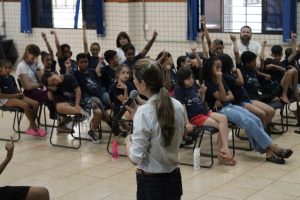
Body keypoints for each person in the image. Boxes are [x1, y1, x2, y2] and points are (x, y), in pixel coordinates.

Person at [202, 57, 293, 164]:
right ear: (210, 68)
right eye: (217, 67)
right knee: (249, 122)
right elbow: (223, 96)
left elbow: (230, 96)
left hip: (230, 105)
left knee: (256, 120)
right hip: (220, 111)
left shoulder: (220, 79)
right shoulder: (209, 83)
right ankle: (275, 148)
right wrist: (221, 89)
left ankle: (269, 152)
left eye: (220, 67)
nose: (219, 69)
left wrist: (221, 97)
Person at [125, 58, 185, 200]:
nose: (133, 82)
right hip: (174, 178)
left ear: (143, 84)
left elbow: (135, 158)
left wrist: (128, 141)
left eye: (134, 79)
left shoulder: (144, 113)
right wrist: (137, 116)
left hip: (152, 183)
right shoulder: (177, 105)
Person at [175, 67, 236, 166]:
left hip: (203, 112)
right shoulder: (179, 90)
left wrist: (202, 94)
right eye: (188, 79)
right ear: (182, 80)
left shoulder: (193, 86)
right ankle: (223, 153)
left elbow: (200, 102)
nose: (192, 80)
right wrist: (187, 123)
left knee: (223, 118)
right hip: (195, 117)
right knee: (221, 126)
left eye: (192, 78)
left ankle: (224, 149)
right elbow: (182, 108)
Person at [219, 53, 275, 127]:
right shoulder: (225, 76)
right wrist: (238, 71)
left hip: (246, 99)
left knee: (271, 111)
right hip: (238, 102)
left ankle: (261, 131)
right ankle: (259, 133)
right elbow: (241, 83)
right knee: (262, 114)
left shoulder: (230, 74)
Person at [41, 72, 97, 141]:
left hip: (80, 100)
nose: (55, 82)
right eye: (52, 83)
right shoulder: (55, 86)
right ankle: (80, 114)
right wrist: (49, 89)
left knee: (97, 111)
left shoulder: (69, 77)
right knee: (58, 106)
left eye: (53, 79)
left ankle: (75, 118)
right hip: (70, 103)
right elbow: (51, 98)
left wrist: (77, 104)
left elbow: (78, 91)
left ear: (55, 73)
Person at [0, 60, 46, 137]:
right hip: (5, 99)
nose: (8, 70)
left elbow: (15, 88)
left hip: (15, 96)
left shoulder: (11, 77)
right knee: (26, 105)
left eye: (9, 68)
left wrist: (20, 92)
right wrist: (14, 96)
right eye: (5, 68)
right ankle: (35, 126)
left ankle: (30, 127)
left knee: (36, 104)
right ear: (0, 68)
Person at [73, 53, 112, 139]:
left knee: (110, 99)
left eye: (86, 62)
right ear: (77, 63)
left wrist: (100, 62)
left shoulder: (91, 71)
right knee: (97, 101)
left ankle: (117, 120)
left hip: (100, 93)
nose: (84, 64)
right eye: (81, 62)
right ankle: (111, 123)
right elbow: (67, 79)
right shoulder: (76, 74)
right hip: (88, 97)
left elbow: (97, 73)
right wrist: (68, 68)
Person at [16, 44, 56, 120]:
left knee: (56, 91)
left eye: (36, 55)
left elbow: (43, 80)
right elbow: (27, 87)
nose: (34, 57)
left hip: (39, 89)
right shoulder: (21, 66)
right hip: (30, 92)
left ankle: (58, 115)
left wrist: (37, 68)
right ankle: (55, 115)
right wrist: (38, 85)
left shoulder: (37, 63)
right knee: (51, 95)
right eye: (33, 54)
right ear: (27, 53)